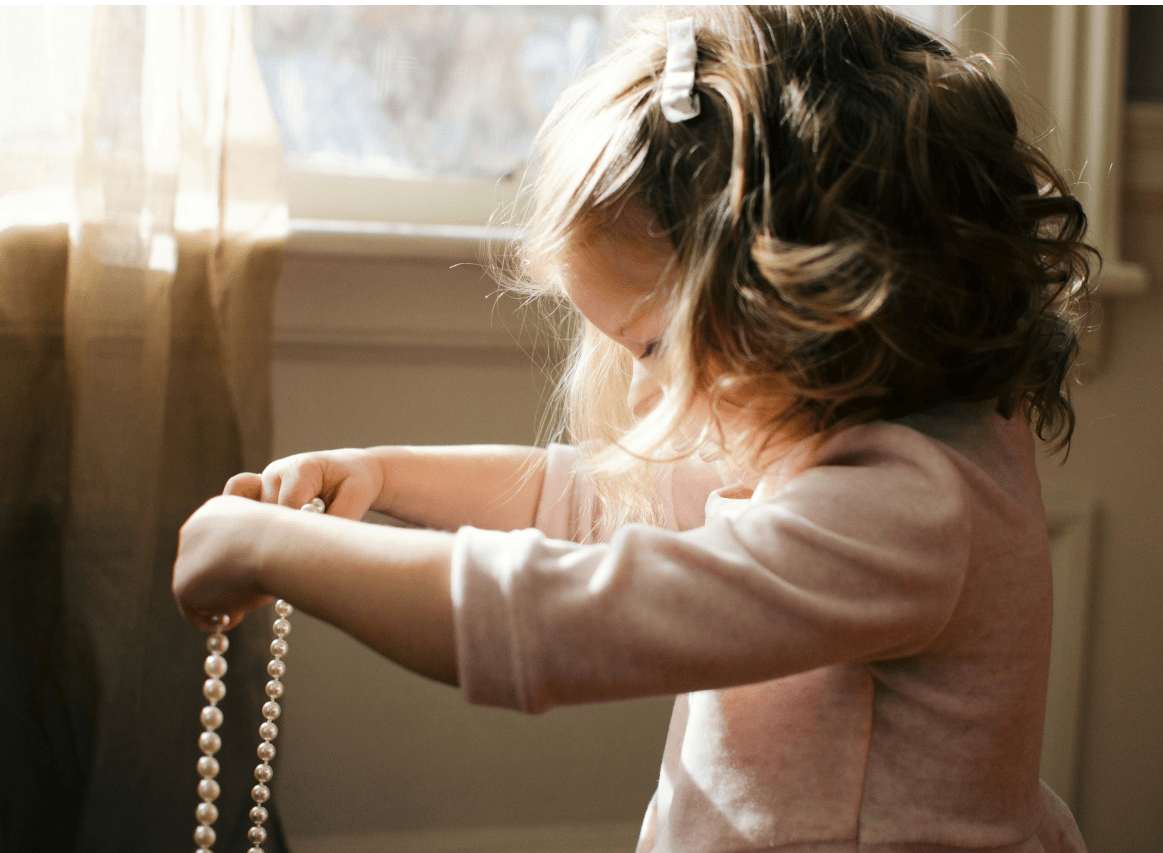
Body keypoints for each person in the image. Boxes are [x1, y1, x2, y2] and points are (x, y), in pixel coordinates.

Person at [172, 6, 1094, 851]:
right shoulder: (847, 438)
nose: (653, 388)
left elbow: (552, 619)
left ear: (814, 294)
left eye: (657, 345)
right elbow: (583, 496)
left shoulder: (904, 508)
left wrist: (271, 550)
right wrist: (380, 473)